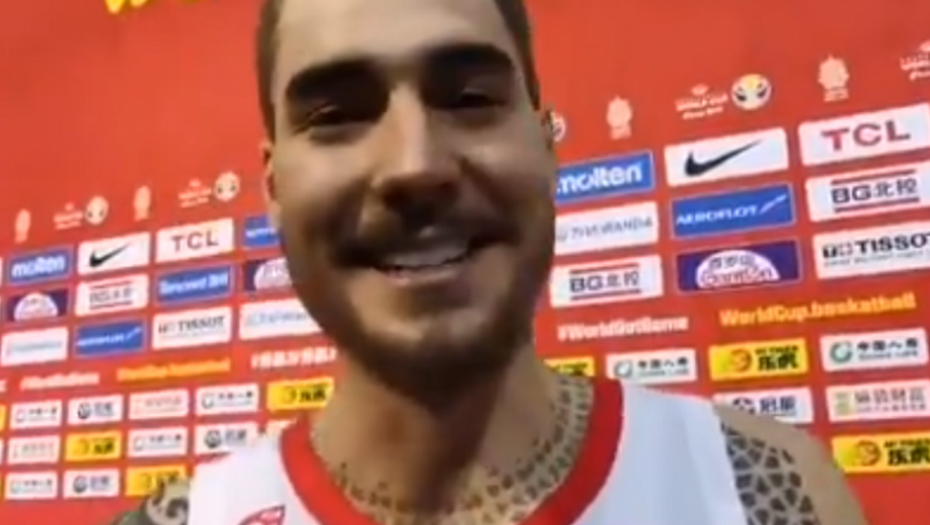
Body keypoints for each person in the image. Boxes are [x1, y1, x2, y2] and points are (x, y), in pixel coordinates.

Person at [106, 0, 870, 523]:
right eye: (336, 115)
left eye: (470, 98)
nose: (415, 163)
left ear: (547, 143)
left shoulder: (763, 492)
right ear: (274, 187)